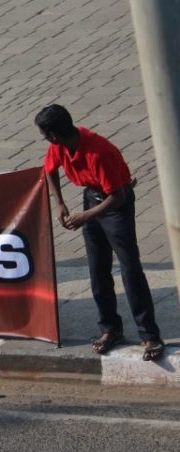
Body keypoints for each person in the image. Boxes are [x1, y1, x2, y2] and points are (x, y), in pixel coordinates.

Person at [36, 104, 164, 362]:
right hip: (92, 199)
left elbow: (119, 196)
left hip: (115, 205)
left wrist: (84, 217)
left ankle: (149, 335)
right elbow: (48, 171)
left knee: (130, 269)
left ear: (53, 135)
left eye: (45, 135)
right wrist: (60, 203)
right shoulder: (59, 146)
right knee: (97, 269)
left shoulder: (99, 151)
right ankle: (110, 328)